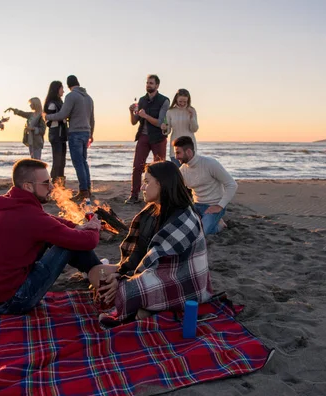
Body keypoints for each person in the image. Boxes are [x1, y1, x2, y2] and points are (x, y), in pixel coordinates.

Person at [0, 159, 104, 315]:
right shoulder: (30, 217)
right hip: (13, 301)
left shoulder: (13, 205)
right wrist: (94, 227)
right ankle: (101, 278)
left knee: (63, 235)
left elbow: (48, 220)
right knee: (68, 243)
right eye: (45, 183)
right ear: (28, 186)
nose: (51, 187)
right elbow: (88, 242)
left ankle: (97, 273)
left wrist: (77, 227)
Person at [91, 161, 213, 327]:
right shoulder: (151, 211)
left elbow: (153, 263)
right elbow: (139, 251)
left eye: (147, 182)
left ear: (162, 184)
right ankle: (147, 309)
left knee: (125, 292)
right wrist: (120, 273)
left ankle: (141, 309)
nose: (142, 187)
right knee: (99, 274)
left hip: (183, 279)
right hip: (155, 272)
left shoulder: (185, 218)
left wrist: (122, 281)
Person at [173, 136, 238, 235]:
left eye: (178, 153)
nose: (176, 157)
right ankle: (208, 221)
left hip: (214, 206)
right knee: (182, 228)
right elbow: (178, 192)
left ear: (189, 152)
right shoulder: (182, 171)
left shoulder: (210, 163)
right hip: (196, 206)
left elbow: (232, 184)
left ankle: (220, 225)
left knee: (200, 233)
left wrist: (219, 206)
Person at [44, 75, 94, 200]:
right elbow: (92, 119)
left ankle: (83, 191)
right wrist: (91, 134)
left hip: (75, 132)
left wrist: (47, 117)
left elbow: (63, 114)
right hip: (86, 132)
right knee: (84, 161)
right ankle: (87, 189)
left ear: (68, 85)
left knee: (78, 163)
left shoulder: (71, 96)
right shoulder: (89, 98)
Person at [126, 75, 170, 204]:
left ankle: (159, 196)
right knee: (137, 166)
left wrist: (146, 115)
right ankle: (134, 195)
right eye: (147, 83)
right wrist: (131, 112)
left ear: (157, 85)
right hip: (143, 136)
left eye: (151, 83)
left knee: (159, 169)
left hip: (158, 137)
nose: (148, 85)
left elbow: (160, 122)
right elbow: (134, 122)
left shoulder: (164, 101)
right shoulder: (142, 100)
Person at [161, 89, 199, 167]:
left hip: (189, 146)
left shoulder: (192, 110)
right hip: (176, 147)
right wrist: (164, 128)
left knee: (190, 174)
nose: (182, 103)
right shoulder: (170, 111)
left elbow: (194, 129)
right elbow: (167, 132)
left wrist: (192, 118)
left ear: (188, 100)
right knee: (178, 174)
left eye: (185, 102)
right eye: (180, 101)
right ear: (176, 99)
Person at [43, 81, 68, 187]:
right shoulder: (52, 103)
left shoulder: (59, 101)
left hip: (61, 134)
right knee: (57, 159)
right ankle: (54, 182)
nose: (63, 90)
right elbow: (49, 120)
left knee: (62, 159)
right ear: (56, 89)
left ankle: (60, 183)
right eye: (61, 88)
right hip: (56, 134)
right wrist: (62, 118)